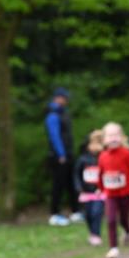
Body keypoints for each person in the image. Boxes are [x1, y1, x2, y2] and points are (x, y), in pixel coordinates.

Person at [97, 122, 129, 258]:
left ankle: (128, 229)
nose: (113, 138)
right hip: (110, 194)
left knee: (123, 218)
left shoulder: (126, 154)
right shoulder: (102, 156)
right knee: (110, 219)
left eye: (116, 135)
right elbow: (101, 174)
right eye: (110, 136)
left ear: (122, 137)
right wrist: (100, 188)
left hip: (125, 193)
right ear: (104, 139)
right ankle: (113, 249)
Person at [45, 87, 82, 226]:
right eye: (64, 98)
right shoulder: (53, 114)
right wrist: (61, 154)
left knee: (71, 184)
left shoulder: (63, 113)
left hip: (68, 154)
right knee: (58, 185)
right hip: (59, 156)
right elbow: (54, 136)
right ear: (57, 98)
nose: (66, 100)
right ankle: (54, 214)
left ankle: (75, 211)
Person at [74, 129, 105, 246]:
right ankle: (92, 233)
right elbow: (76, 175)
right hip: (86, 193)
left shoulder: (103, 158)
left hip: (99, 192)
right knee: (88, 214)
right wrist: (79, 188)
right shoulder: (82, 160)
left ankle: (96, 234)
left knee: (96, 212)